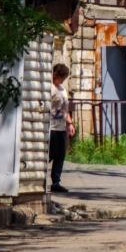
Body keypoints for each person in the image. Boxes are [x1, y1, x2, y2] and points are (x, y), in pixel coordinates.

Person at [49, 62, 75, 194]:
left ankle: (56, 182)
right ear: (55, 75)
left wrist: (69, 124)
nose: (63, 80)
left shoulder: (62, 89)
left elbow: (65, 108)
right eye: (61, 77)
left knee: (60, 154)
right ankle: (37, 175)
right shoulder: (50, 88)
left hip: (61, 127)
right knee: (51, 153)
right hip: (51, 126)